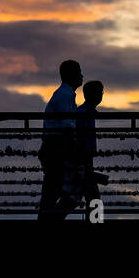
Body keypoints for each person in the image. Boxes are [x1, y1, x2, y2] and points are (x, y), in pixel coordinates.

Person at [38, 59, 83, 220]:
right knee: (62, 191)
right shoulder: (65, 96)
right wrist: (76, 153)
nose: (81, 76)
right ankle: (50, 220)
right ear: (70, 75)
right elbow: (68, 128)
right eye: (78, 72)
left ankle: (49, 219)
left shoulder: (63, 94)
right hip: (57, 150)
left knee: (53, 191)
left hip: (53, 149)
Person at [60, 80, 106, 216]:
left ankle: (52, 218)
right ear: (90, 94)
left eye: (101, 92)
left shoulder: (86, 112)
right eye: (98, 92)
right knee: (91, 197)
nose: (100, 95)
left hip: (83, 160)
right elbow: (80, 138)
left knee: (77, 196)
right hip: (82, 160)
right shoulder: (83, 113)